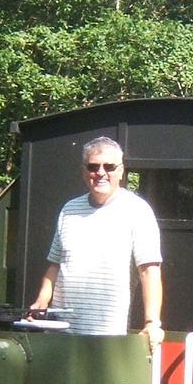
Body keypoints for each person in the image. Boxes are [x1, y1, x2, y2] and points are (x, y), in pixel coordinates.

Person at [28, 136, 164, 347]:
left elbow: (149, 271)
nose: (101, 173)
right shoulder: (69, 210)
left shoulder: (137, 211)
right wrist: (41, 301)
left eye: (109, 167)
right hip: (61, 335)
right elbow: (55, 263)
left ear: (121, 171)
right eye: (93, 166)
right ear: (84, 171)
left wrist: (152, 322)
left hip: (108, 339)